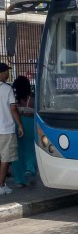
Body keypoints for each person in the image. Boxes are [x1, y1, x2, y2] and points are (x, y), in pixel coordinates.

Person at [0, 63, 24, 195]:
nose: (8, 74)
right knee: (6, 158)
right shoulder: (7, 89)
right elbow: (13, 108)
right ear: (2, 73)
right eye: (6, 72)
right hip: (5, 129)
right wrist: (20, 125)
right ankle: (1, 185)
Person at [11, 75, 36, 187]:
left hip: (16, 125)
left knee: (17, 152)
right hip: (30, 125)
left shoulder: (13, 98)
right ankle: (29, 169)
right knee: (30, 149)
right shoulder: (32, 98)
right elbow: (36, 112)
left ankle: (18, 180)